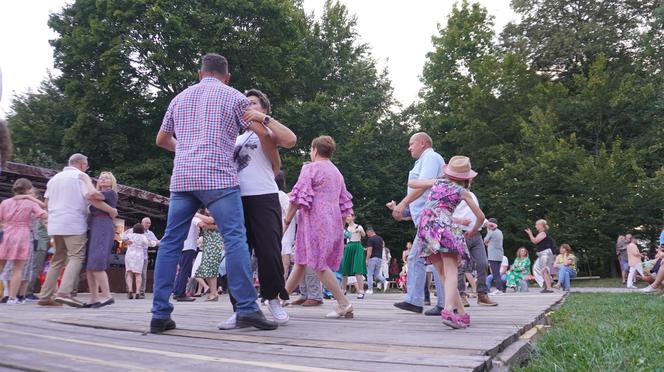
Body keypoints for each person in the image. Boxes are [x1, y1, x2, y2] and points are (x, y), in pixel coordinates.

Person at [151, 53, 277, 333]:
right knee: (234, 239)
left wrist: (185, 149)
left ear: (200, 73)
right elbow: (263, 134)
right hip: (219, 177)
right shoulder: (234, 98)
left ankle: (160, 314)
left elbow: (161, 139)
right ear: (227, 77)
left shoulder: (179, 99)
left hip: (183, 178)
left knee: (171, 241)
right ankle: (246, 308)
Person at [218, 89, 296, 328]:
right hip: (235, 198)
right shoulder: (236, 137)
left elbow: (291, 140)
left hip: (264, 196)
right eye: (243, 104)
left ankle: (273, 299)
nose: (246, 106)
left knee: (269, 251)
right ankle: (241, 307)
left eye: (251, 103)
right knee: (237, 254)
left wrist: (260, 119)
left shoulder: (267, 130)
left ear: (263, 108)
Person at [403, 155, 485, 329]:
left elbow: (412, 184)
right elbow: (480, 216)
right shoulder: (462, 191)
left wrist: (431, 181)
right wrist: (473, 230)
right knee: (452, 269)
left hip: (426, 226)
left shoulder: (437, 183)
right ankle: (448, 310)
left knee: (443, 274)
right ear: (466, 177)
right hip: (444, 224)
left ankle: (461, 313)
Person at [282, 135, 355, 319]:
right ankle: (279, 298)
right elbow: (345, 203)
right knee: (300, 261)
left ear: (314, 150)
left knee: (319, 264)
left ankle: (344, 303)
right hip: (332, 220)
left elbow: (298, 197)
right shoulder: (337, 173)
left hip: (314, 220)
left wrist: (287, 221)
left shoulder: (310, 168)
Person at [39, 154, 118, 307]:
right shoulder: (80, 176)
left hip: (56, 223)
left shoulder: (54, 179)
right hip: (73, 222)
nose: (87, 168)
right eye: (87, 165)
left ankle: (45, 295)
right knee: (76, 256)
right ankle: (64, 292)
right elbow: (91, 197)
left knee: (58, 258)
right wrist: (111, 210)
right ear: (82, 164)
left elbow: (46, 203)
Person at [388, 132, 446, 314]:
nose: (409, 147)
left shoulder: (430, 157)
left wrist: (404, 203)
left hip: (430, 218)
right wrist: (403, 211)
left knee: (419, 259)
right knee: (437, 261)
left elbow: (424, 185)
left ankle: (416, 300)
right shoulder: (426, 160)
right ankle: (444, 303)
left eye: (411, 143)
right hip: (428, 217)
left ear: (422, 143)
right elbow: (422, 195)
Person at [0, 179, 47, 304]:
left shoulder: (5, 202)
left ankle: (5, 294)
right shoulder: (30, 203)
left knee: (2, 265)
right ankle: (12, 297)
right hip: (23, 234)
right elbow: (43, 211)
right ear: (28, 189)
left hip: (7, 234)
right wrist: (29, 198)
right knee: (18, 268)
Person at [80, 171, 118, 308]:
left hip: (102, 226)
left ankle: (107, 295)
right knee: (90, 266)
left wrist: (85, 180)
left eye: (106, 177)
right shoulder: (101, 194)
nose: (103, 179)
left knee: (96, 261)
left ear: (112, 181)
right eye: (101, 178)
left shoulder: (110, 193)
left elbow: (92, 195)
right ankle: (94, 298)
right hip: (94, 227)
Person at [172, 213, 204, 301]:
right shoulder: (193, 218)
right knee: (185, 270)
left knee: (181, 270)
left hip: (182, 246)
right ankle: (181, 293)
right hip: (190, 247)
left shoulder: (183, 217)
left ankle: (176, 291)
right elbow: (202, 224)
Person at [194, 212, 224, 302]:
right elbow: (205, 224)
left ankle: (213, 293)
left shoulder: (217, 215)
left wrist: (196, 214)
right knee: (205, 269)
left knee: (211, 269)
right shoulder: (207, 218)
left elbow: (209, 222)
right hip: (208, 246)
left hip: (214, 246)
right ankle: (213, 292)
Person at [526, 219, 555, 293]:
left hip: (545, 253)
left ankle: (549, 288)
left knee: (544, 270)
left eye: (536, 224)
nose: (535, 226)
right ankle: (547, 283)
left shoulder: (543, 233)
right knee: (536, 268)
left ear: (541, 225)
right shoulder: (541, 233)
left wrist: (530, 234)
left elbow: (535, 241)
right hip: (543, 254)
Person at [276, 171, 296, 280]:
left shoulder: (275, 194)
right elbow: (290, 211)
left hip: (277, 231)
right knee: (285, 263)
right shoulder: (281, 195)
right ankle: (281, 286)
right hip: (285, 232)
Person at [341, 215, 366, 298]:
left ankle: (361, 291)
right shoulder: (345, 228)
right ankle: (343, 290)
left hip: (357, 246)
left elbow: (363, 235)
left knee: (358, 269)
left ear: (353, 217)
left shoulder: (359, 226)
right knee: (345, 269)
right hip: (348, 247)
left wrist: (360, 231)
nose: (347, 218)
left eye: (348, 216)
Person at [123, 223, 149, 299]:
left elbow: (122, 236)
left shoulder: (130, 235)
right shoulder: (143, 237)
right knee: (138, 274)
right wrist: (157, 243)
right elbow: (149, 243)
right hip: (139, 256)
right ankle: (137, 292)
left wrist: (126, 239)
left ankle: (130, 290)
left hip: (129, 255)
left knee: (129, 273)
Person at [136, 218, 159, 298]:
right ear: (141, 223)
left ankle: (141, 292)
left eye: (149, 223)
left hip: (144, 256)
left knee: (143, 274)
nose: (148, 224)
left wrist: (154, 242)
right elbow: (124, 237)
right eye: (146, 223)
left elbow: (156, 242)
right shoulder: (134, 230)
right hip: (133, 256)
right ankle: (130, 290)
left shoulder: (150, 233)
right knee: (129, 273)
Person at [484, 218, 505, 293]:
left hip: (493, 256)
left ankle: (499, 289)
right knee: (497, 273)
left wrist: (488, 231)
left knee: (495, 273)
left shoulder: (491, 232)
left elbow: (485, 240)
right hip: (499, 255)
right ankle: (500, 289)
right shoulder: (500, 232)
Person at [365, 227, 388, 294]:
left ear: (370, 232)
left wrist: (366, 259)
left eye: (367, 234)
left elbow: (370, 251)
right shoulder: (380, 239)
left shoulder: (370, 239)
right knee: (377, 274)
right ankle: (385, 281)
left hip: (372, 258)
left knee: (369, 274)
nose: (367, 235)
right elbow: (377, 248)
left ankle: (370, 289)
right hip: (380, 259)